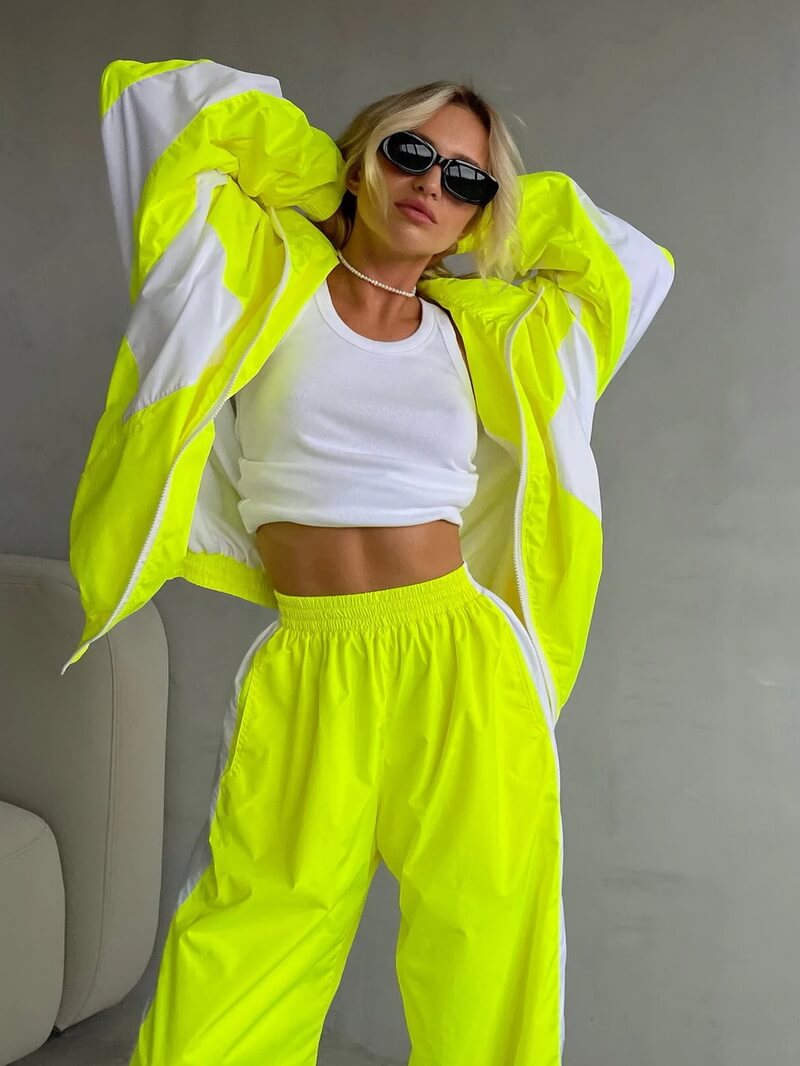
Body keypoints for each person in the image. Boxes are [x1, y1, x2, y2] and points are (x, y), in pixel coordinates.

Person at [64, 58, 675, 1065]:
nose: (433, 183)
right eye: (410, 153)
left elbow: (630, 267)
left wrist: (494, 215)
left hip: (462, 661)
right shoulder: (253, 271)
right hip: (312, 661)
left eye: (466, 178)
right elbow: (162, 104)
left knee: (484, 952)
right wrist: (330, 179)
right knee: (248, 938)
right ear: (359, 160)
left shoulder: (490, 336)